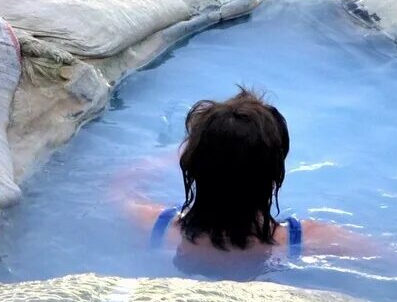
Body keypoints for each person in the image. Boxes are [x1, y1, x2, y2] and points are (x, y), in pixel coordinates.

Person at [131, 89, 377, 266]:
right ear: (275, 175)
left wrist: (172, 154)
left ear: (192, 166)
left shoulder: (156, 227)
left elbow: (120, 188)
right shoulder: (302, 241)